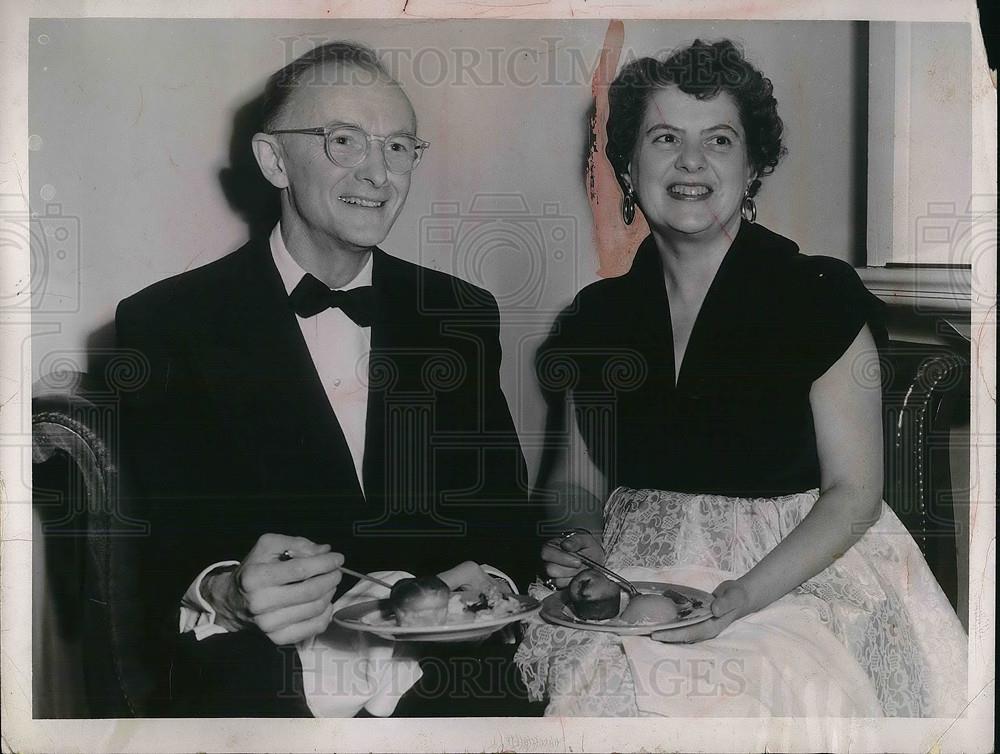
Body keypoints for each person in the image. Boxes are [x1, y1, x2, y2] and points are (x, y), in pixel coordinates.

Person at [518, 39, 967, 717]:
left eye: (720, 140)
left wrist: (741, 598)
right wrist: (581, 539)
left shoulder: (820, 296)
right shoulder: (596, 318)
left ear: (753, 166)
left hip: (793, 576)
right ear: (630, 168)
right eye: (664, 137)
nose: (691, 160)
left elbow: (854, 494)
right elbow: (574, 483)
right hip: (635, 570)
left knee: (739, 698)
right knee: (601, 697)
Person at [116, 42, 540, 717]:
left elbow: (505, 520)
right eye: (346, 140)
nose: (378, 173)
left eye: (399, 148)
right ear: (274, 160)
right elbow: (159, 542)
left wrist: (484, 583)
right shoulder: (165, 323)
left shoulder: (461, 314)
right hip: (260, 674)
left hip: (445, 672)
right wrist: (229, 587)